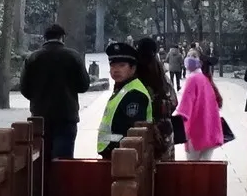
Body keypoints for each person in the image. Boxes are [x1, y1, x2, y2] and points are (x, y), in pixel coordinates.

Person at [20, 22, 91, 159]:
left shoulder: (33, 58)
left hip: (40, 115)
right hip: (66, 114)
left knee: (41, 159)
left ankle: (43, 181)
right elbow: (84, 86)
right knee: (63, 160)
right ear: (62, 38)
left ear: (44, 38)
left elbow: (24, 88)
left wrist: (37, 98)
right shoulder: (73, 56)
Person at [96, 39, 157, 152]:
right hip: (115, 153)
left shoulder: (135, 94)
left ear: (133, 69)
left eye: (122, 65)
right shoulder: (123, 88)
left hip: (124, 156)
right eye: (113, 65)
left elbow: (133, 133)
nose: (116, 70)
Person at [178, 52, 228, 157]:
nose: (189, 58)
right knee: (206, 167)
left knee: (193, 169)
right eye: (188, 55)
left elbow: (185, 109)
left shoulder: (193, 79)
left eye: (194, 56)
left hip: (196, 131)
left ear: (200, 62)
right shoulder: (206, 80)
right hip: (210, 131)